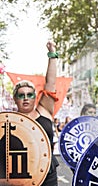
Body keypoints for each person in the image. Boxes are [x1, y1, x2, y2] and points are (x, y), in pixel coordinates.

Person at [12, 41, 59, 185]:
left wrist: (52, 55)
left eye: (30, 95)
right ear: (15, 99)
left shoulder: (43, 111)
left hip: (47, 174)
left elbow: (50, 83)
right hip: (21, 176)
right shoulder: (9, 121)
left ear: (35, 97)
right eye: (21, 95)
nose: (26, 98)